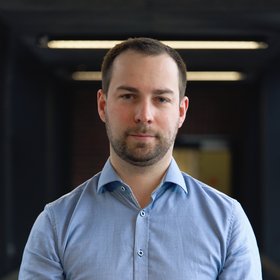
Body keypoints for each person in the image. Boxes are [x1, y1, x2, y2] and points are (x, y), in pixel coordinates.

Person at [19, 37, 262, 279]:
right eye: (128, 96)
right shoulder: (55, 224)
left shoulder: (228, 222)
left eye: (161, 99)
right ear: (103, 105)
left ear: (181, 111)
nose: (144, 115)